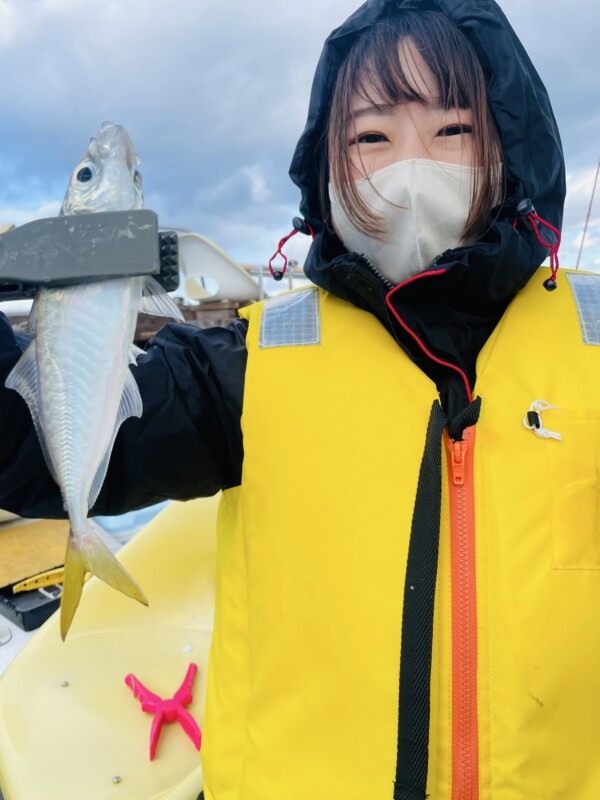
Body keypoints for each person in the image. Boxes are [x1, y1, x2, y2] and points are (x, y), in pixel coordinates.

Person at [1, 0, 598, 798]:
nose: (409, 166)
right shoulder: (248, 362)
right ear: (327, 166)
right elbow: (27, 450)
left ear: (512, 144)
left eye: (452, 131)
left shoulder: (590, 341)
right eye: (371, 137)